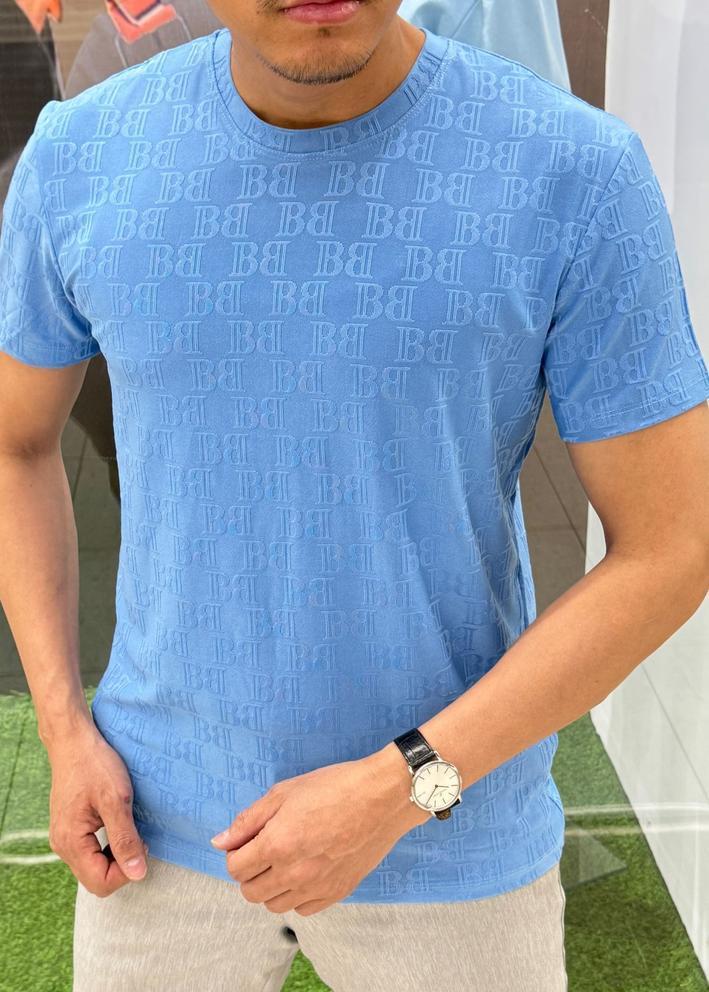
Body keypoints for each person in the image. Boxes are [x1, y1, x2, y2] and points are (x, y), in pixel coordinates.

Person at [0, 2, 707, 990]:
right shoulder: (84, 155)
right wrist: (63, 729)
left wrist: (403, 783)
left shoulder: (571, 172)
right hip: (151, 828)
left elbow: (670, 546)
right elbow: (16, 443)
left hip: (454, 834)